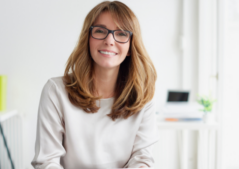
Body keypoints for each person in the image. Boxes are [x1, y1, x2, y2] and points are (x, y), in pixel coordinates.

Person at [31, 1, 159, 168]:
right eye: (100, 31)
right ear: (88, 38)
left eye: (121, 33)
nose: (109, 40)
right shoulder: (55, 91)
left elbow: (142, 160)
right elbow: (47, 161)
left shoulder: (142, 97)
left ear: (130, 47)